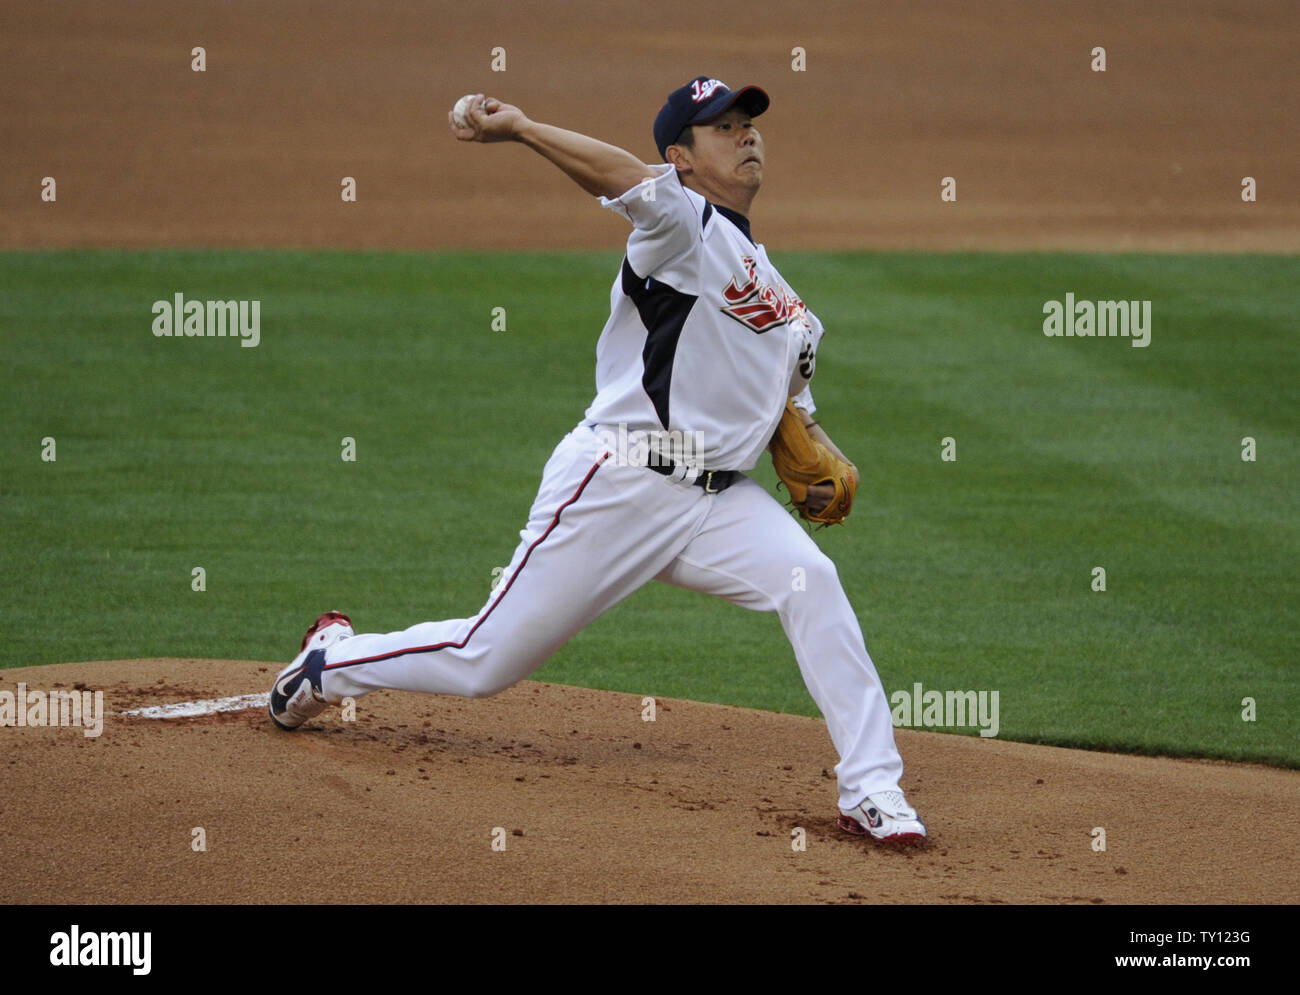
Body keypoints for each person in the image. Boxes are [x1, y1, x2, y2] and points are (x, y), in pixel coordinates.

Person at [269, 77, 926, 844]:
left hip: (716, 502)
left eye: (749, 124)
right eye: (723, 128)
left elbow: (792, 407)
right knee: (485, 660)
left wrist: (816, 446)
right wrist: (521, 128)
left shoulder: (785, 300)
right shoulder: (683, 226)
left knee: (811, 579)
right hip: (617, 481)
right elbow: (623, 179)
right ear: (680, 158)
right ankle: (329, 663)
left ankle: (873, 790)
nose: (746, 135)